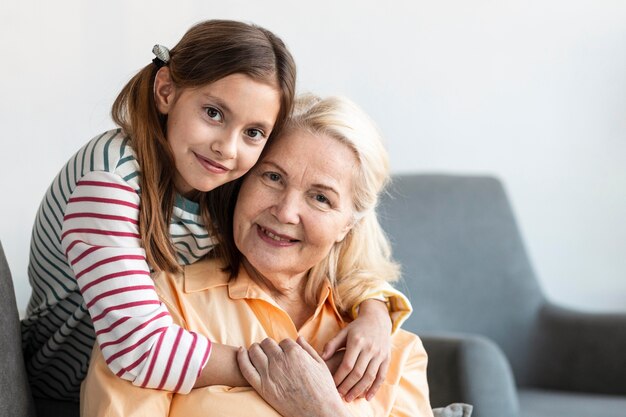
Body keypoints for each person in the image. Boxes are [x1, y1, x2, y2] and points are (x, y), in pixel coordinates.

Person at [21, 20, 410, 402]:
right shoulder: (110, 176)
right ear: (166, 90)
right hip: (58, 388)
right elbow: (138, 346)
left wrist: (374, 314)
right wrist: (287, 374)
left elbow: (328, 248)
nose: (227, 146)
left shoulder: (225, 180)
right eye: (213, 113)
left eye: (253, 132)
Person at [80, 94, 430, 417]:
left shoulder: (391, 350)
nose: (285, 211)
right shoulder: (157, 309)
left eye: (320, 198)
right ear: (242, 180)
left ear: (348, 225)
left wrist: (323, 411)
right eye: (273, 177)